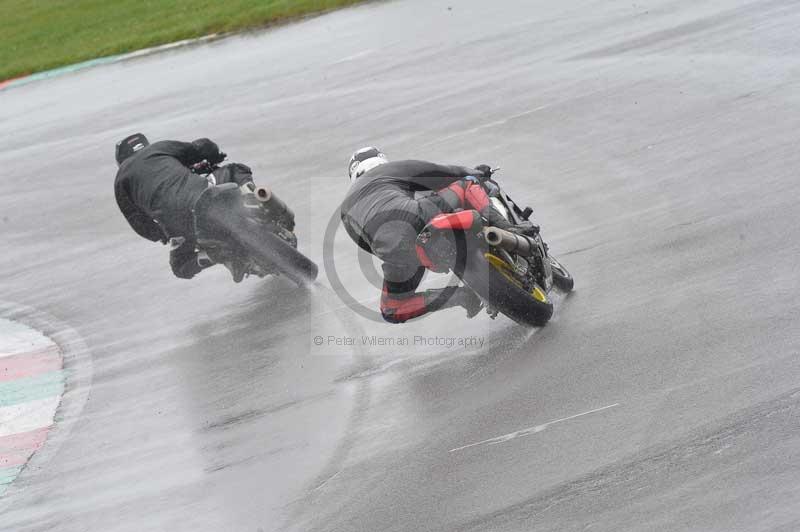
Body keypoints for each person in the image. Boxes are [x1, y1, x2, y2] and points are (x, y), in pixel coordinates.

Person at [340, 147, 537, 324]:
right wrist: (477, 173)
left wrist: (405, 257)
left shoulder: (345, 211)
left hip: (396, 253)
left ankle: (460, 297)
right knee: (467, 183)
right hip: (418, 218)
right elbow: (440, 172)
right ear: (381, 161)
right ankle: (509, 229)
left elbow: (367, 245)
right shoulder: (384, 171)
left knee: (392, 309)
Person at [113, 133, 254, 281]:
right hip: (201, 195)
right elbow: (201, 147)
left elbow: (138, 224)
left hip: (176, 224)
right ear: (145, 144)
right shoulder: (159, 148)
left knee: (181, 266)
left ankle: (217, 255)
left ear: (120, 160)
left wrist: (163, 235)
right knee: (235, 169)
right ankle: (252, 199)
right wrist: (214, 155)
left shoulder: (120, 181)